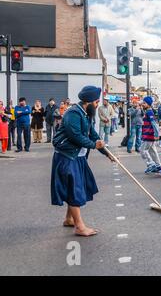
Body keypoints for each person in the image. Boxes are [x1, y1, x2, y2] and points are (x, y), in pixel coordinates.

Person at [51, 86, 113, 237]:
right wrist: (94, 145)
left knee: (76, 187)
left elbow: (92, 134)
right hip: (67, 157)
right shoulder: (73, 113)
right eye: (97, 102)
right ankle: (79, 227)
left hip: (77, 157)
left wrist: (106, 153)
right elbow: (75, 136)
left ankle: (68, 219)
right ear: (90, 102)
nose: (97, 104)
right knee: (74, 189)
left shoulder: (85, 114)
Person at [140, 97, 161, 174]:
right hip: (148, 134)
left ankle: (151, 164)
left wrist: (156, 134)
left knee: (143, 150)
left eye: (144, 103)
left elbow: (154, 124)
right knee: (152, 151)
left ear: (149, 104)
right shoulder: (148, 112)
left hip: (148, 135)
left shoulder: (149, 112)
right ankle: (158, 165)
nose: (143, 104)